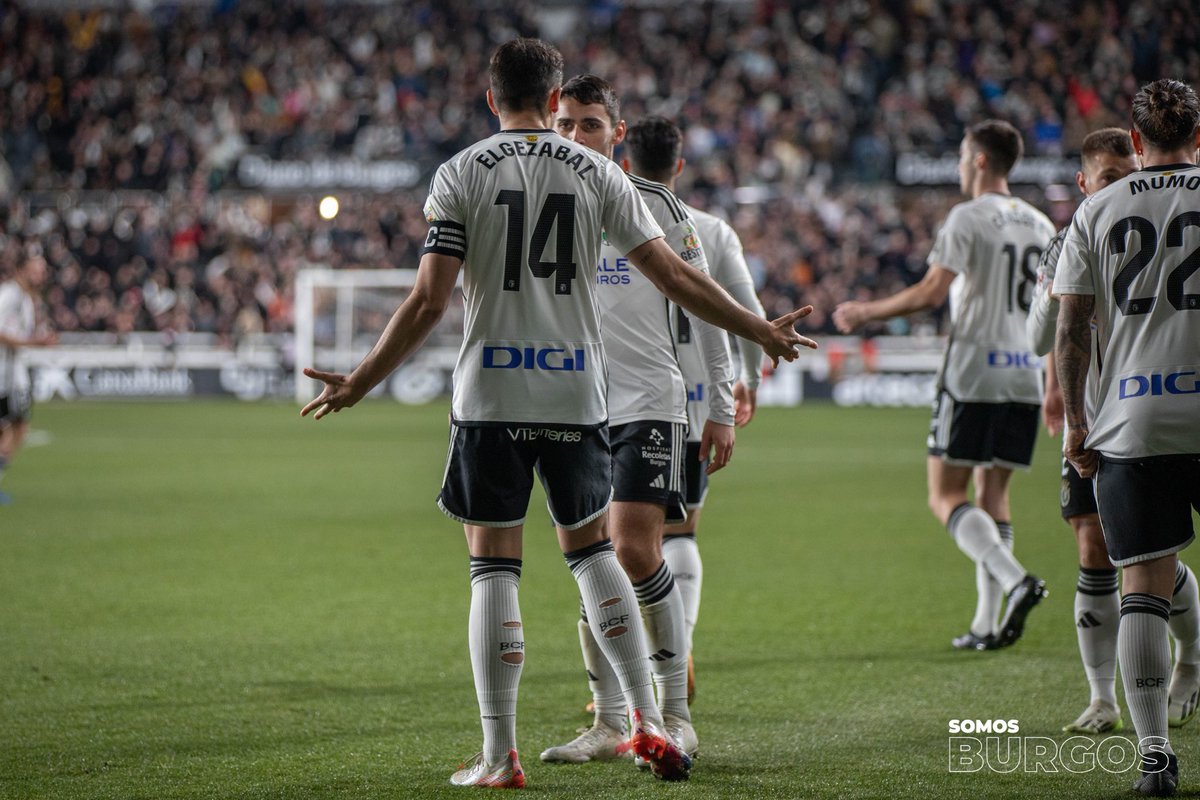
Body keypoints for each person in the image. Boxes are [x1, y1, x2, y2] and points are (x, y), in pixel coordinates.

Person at [301, 38, 816, 788]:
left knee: (493, 569)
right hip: (580, 396)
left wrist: (361, 380)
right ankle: (649, 726)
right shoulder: (601, 174)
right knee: (593, 556)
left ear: (490, 100)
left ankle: (498, 755)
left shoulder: (458, 173)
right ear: (552, 102)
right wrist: (759, 331)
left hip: (491, 395)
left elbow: (428, 300)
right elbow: (674, 275)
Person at [539, 84, 739, 767]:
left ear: (616, 133)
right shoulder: (543, 203)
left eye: (589, 125)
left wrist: (719, 404)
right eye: (564, 123)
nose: (575, 135)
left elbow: (706, 303)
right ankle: (609, 719)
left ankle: (675, 718)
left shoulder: (654, 206)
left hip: (649, 402)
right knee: (590, 560)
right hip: (574, 404)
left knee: (630, 548)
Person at [832, 120, 1053, 650]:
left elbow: (933, 292)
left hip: (974, 368)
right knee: (993, 494)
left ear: (979, 160)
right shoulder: (1043, 225)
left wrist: (867, 311)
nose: (958, 165)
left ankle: (1016, 579)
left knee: (946, 495)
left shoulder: (967, 217)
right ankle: (986, 624)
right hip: (1025, 370)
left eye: (961, 155)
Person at [1027, 127, 1200, 737]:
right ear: (1084, 183)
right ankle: (1102, 697)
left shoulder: (1136, 215)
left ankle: (1189, 662)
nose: (1125, 186)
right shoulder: (1075, 235)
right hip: (1097, 419)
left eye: (1129, 173)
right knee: (1096, 549)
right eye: (1109, 179)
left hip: (1133, 415)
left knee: (1149, 563)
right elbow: (1038, 337)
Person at [626, 116, 767, 706]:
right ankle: (678, 648)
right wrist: (748, 382)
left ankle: (642, 666)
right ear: (679, 166)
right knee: (679, 531)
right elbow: (741, 307)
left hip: (630, 402)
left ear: (625, 160)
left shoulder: (612, 220)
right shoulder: (708, 229)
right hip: (696, 400)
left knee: (620, 544)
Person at [0, 248, 56, 505]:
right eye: (37, 270)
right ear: (22, 269)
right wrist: (33, 342)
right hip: (4, 374)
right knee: (16, 427)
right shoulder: (10, 294)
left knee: (18, 427)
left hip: (13, 374)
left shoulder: (25, 297)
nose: (42, 275)